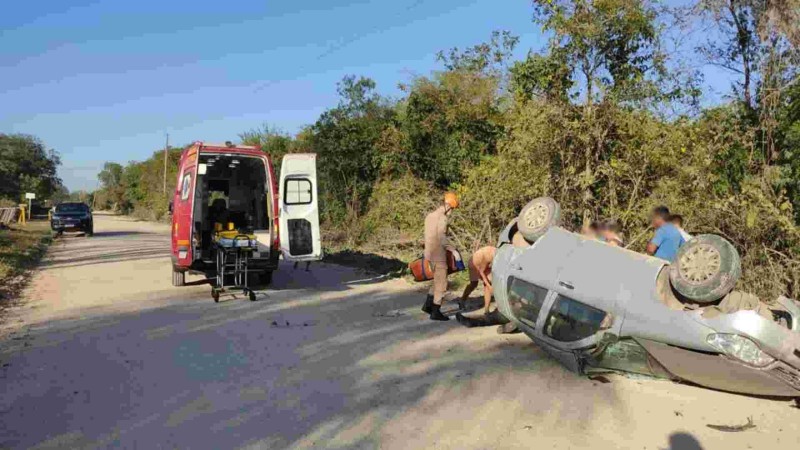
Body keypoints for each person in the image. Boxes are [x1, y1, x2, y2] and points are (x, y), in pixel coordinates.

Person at [421, 192, 459, 321]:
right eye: (452, 209)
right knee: (442, 283)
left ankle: (428, 306)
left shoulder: (429, 216)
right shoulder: (442, 218)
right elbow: (442, 238)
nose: (452, 212)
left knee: (436, 281)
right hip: (439, 256)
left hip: (429, 255)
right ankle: (436, 312)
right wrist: (453, 251)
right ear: (448, 206)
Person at [458, 245, 497, 316]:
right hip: (474, 263)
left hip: (485, 265)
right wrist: (489, 285)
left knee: (488, 284)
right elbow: (481, 271)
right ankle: (462, 300)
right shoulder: (488, 256)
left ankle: (486, 311)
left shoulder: (498, 254)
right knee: (474, 284)